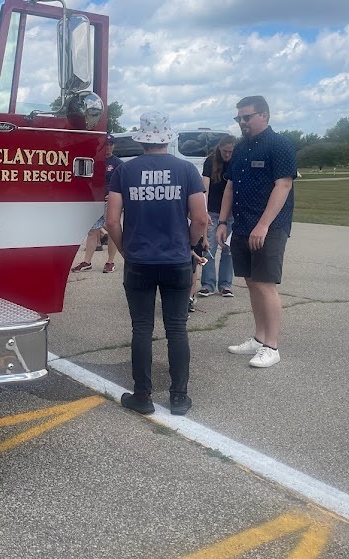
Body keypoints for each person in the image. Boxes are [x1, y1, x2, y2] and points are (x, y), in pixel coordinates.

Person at [106, 111, 208, 416]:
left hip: (139, 259)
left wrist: (125, 250)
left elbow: (112, 220)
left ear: (142, 139)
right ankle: (179, 397)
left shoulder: (124, 171)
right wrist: (189, 244)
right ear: (168, 138)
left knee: (142, 328)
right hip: (176, 259)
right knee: (177, 328)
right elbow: (201, 217)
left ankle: (143, 395)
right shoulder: (187, 170)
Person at [215, 96, 296, 369]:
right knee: (250, 281)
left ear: (264, 115)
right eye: (238, 118)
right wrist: (223, 221)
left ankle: (272, 346)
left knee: (264, 283)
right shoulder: (239, 149)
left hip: (270, 227)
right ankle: (259, 337)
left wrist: (263, 225)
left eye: (246, 117)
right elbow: (229, 187)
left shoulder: (280, 145)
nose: (242, 122)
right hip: (242, 224)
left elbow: (283, 186)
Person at [71, 134, 123, 273]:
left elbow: (121, 183)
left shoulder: (117, 163)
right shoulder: (94, 161)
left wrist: (112, 195)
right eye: (106, 144)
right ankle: (87, 262)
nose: (108, 147)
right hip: (94, 201)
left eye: (111, 144)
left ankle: (110, 262)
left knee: (112, 231)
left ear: (114, 146)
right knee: (92, 231)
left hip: (109, 201)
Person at [197, 136, 237, 298]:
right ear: (219, 148)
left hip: (233, 213)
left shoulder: (238, 160)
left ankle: (225, 285)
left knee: (228, 250)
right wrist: (204, 211)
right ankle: (208, 284)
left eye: (230, 151)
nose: (227, 154)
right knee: (209, 248)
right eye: (225, 151)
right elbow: (204, 187)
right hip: (213, 210)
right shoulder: (210, 161)